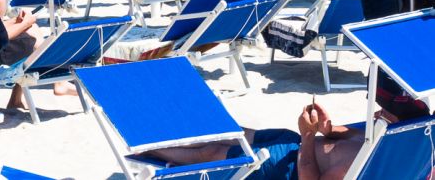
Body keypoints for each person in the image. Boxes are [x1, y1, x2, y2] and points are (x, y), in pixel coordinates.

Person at [147, 100, 427, 179]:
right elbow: (346, 133)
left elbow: (308, 178)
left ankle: (150, 149)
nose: (376, 112)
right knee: (228, 132)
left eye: (384, 112)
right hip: (290, 140)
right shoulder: (391, 142)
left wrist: (307, 137)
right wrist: (326, 127)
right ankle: (162, 131)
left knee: (211, 153)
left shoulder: (363, 167)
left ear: (397, 123)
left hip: (285, 164)